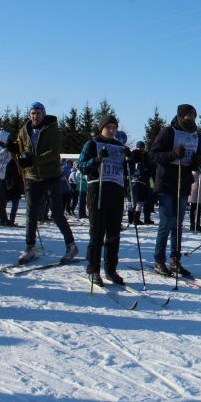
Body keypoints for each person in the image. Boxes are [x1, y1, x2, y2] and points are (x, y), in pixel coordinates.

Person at [8, 102, 77, 263]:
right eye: (33, 113)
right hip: (31, 177)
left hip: (50, 176)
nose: (35, 116)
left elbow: (53, 153)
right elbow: (21, 150)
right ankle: (30, 247)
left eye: (38, 113)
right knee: (31, 214)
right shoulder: (25, 130)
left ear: (43, 114)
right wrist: (14, 149)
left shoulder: (52, 129)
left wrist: (33, 161)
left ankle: (71, 245)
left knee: (57, 213)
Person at [150, 104, 201, 277]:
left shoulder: (196, 136)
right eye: (188, 116)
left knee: (178, 225)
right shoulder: (168, 132)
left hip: (183, 183)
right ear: (181, 116)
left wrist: (196, 162)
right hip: (166, 183)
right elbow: (153, 155)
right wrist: (172, 154)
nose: (191, 119)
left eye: (193, 117)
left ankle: (175, 259)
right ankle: (159, 260)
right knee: (166, 223)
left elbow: (197, 158)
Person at [78, 115, 130, 285]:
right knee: (97, 232)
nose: (112, 130)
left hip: (116, 189)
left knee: (114, 233)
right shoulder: (92, 144)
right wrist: (97, 159)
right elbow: (82, 166)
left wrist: (131, 160)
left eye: (114, 127)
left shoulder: (119, 146)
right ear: (101, 128)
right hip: (97, 189)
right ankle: (93, 269)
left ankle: (110, 269)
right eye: (108, 127)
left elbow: (127, 169)